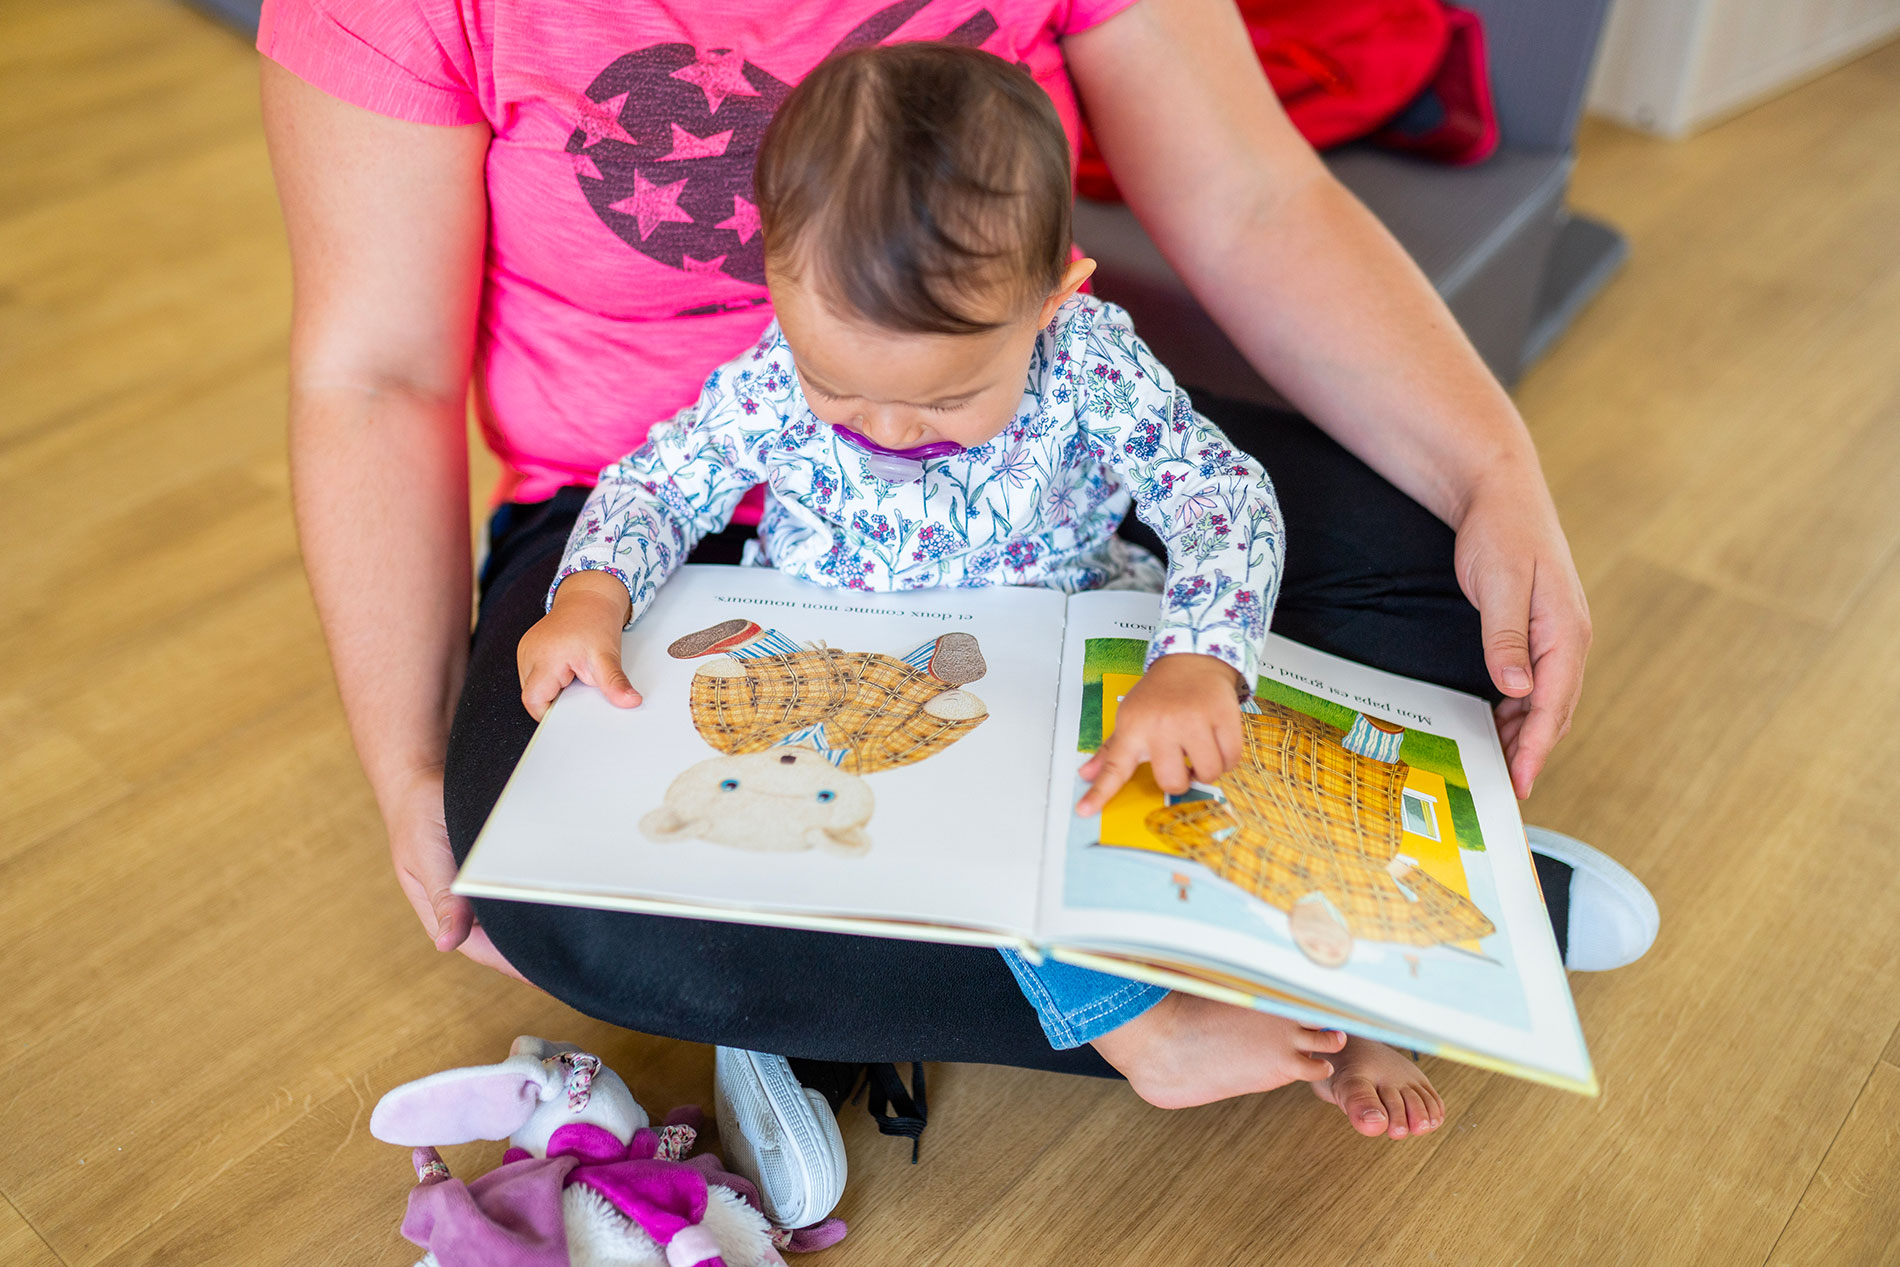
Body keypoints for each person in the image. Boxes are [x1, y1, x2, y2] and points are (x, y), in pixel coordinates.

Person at [257, 0, 1657, 1229]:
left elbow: (1227, 469)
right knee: (551, 879)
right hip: (794, 635)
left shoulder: (1086, 368)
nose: (880, 431)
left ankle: (932, 963)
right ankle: (1250, 974)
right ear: (779, 296)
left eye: (936, 403)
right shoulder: (771, 380)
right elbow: (642, 475)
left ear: (1058, 297)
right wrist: (582, 602)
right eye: (841, 389)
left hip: (1047, 626)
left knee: (1425, 559)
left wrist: (1239, 634)